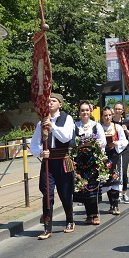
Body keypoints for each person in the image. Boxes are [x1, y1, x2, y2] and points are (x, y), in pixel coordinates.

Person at [29, 94, 76, 239]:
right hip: (48, 161)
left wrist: (52, 126)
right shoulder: (41, 122)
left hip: (63, 159)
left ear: (60, 104)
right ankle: (47, 227)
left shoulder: (66, 119)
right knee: (47, 194)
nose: (50, 103)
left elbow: (66, 137)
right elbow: (34, 145)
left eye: (54, 101)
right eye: (48, 101)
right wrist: (41, 153)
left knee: (65, 193)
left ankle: (69, 220)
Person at [73, 101, 107, 226]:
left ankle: (95, 214)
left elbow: (102, 141)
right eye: (82, 110)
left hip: (93, 160)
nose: (85, 112)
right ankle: (88, 215)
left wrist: (92, 145)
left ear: (90, 111)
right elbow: (72, 142)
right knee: (83, 188)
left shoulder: (96, 126)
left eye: (87, 110)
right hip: (80, 162)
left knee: (93, 188)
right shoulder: (75, 126)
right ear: (79, 112)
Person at [101, 109, 128, 215]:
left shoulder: (117, 127)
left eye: (109, 115)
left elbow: (124, 141)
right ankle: (111, 204)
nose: (107, 117)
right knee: (106, 180)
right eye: (105, 115)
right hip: (103, 157)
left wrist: (116, 143)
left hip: (115, 155)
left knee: (115, 179)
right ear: (102, 117)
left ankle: (116, 205)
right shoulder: (99, 128)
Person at [112, 102, 129, 204]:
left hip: (124, 149)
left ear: (122, 111)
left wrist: (126, 130)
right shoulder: (110, 121)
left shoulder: (126, 122)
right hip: (113, 149)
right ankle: (117, 194)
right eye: (116, 109)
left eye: (119, 109)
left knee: (124, 171)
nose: (117, 111)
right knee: (115, 172)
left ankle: (124, 193)